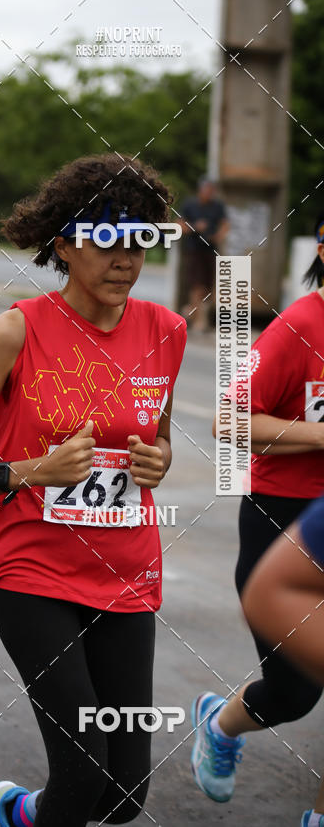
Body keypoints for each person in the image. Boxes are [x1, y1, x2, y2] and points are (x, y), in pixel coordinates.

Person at [0, 153, 187, 826]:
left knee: (125, 797)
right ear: (66, 244)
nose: (125, 258)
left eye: (140, 240)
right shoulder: (16, 331)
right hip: (32, 569)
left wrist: (159, 461)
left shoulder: (166, 332)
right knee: (82, 768)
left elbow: (156, 441)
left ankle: (21, 814)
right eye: (106, 239)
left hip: (126, 572)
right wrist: (29, 472)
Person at [190, 214, 324, 827]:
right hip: (286, 527)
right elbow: (230, 423)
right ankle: (221, 723)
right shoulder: (300, 325)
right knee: (295, 694)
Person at [242, 493, 324, 688]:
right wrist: (233, 485)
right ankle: (215, 718)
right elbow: (235, 463)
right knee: (291, 694)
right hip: (274, 504)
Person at [178, 177, 228, 332]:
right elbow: (179, 225)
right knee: (196, 285)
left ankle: (191, 310)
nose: (209, 192)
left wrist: (218, 236)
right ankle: (199, 319)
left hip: (211, 249)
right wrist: (195, 227)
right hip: (194, 249)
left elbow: (225, 225)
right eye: (206, 189)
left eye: (211, 190)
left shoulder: (217, 206)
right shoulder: (190, 205)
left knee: (208, 286)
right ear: (200, 190)